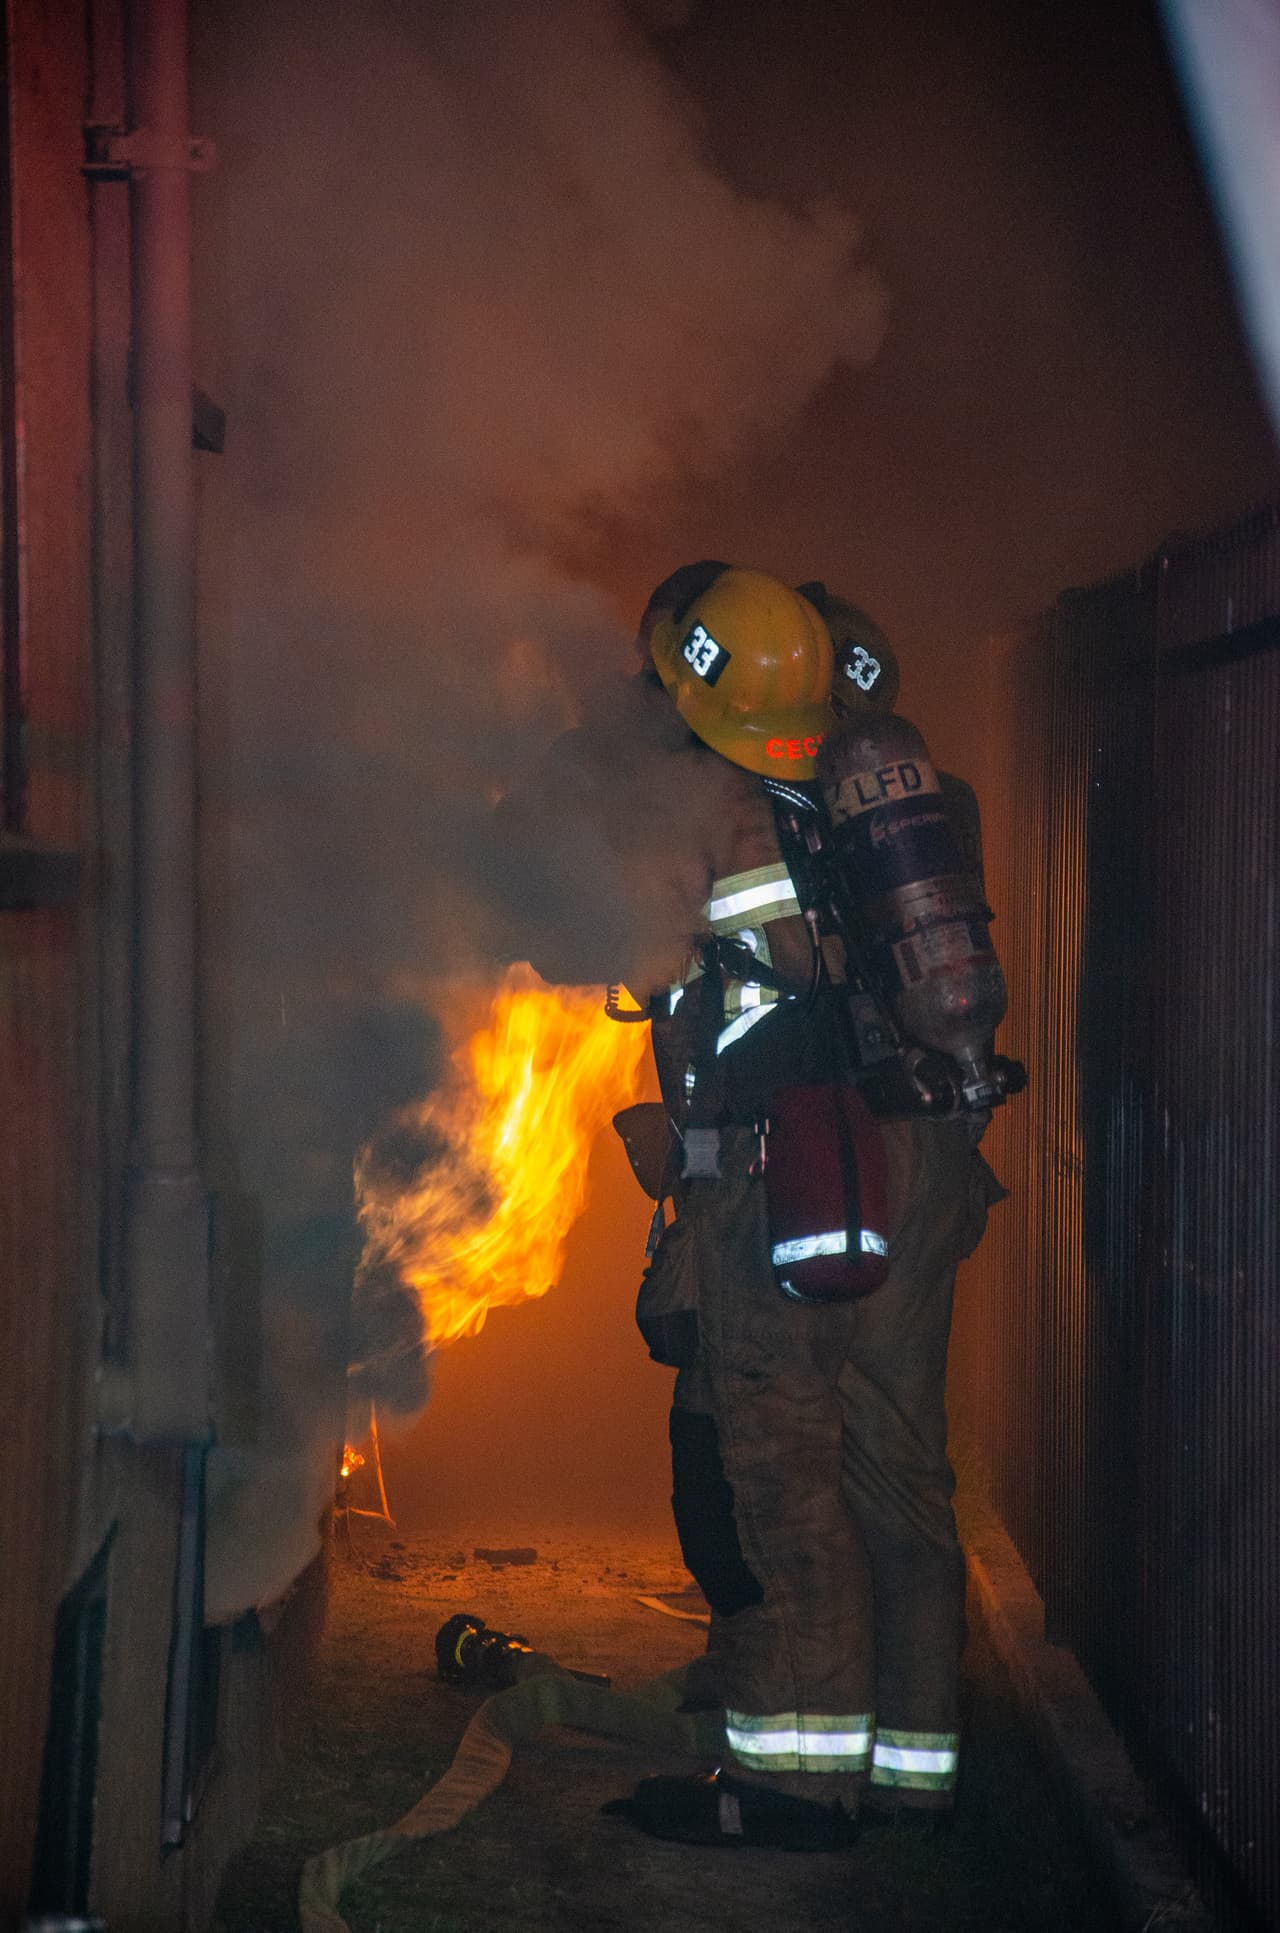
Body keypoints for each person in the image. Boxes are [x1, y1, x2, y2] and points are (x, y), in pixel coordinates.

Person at [606, 565, 1005, 1850]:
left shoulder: (704, 816)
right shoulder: (905, 802)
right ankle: (909, 1769)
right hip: (924, 1153)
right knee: (900, 1465)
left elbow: (624, 961)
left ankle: (793, 1782)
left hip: (786, 1169)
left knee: (783, 1470)